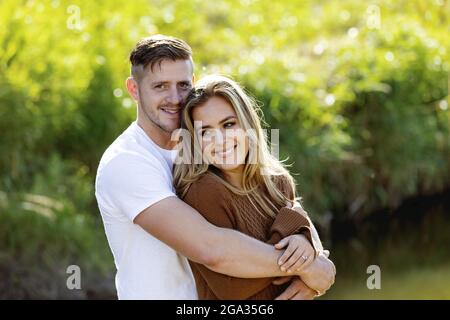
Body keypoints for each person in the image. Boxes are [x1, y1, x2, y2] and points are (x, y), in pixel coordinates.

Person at [95, 34, 335, 300]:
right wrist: (308, 268)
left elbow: (284, 203)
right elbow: (212, 249)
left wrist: (312, 250)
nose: (174, 98)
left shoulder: (203, 149)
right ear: (134, 89)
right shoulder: (126, 162)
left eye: (183, 85)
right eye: (160, 86)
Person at [173, 75, 333, 299]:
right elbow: (231, 288)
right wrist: (295, 243)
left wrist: (304, 243)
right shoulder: (204, 190)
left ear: (248, 125)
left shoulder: (277, 182)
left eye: (229, 125)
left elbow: (315, 270)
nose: (220, 140)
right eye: (205, 132)